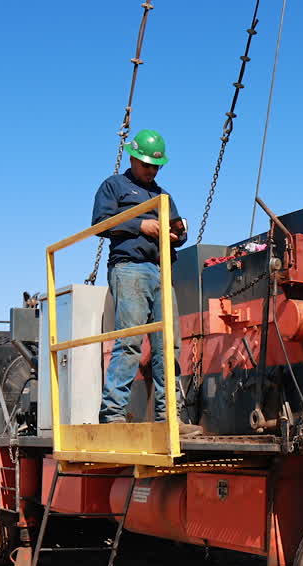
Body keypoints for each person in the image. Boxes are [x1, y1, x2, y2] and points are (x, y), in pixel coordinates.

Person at [92, 129, 201, 434]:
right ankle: (112, 417)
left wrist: (176, 233)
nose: (152, 171)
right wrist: (142, 225)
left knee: (169, 346)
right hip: (129, 269)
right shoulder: (114, 186)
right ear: (133, 157)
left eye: (156, 167)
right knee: (129, 343)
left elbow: (177, 236)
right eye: (146, 165)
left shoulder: (163, 196)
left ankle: (170, 418)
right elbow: (101, 223)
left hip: (161, 270)